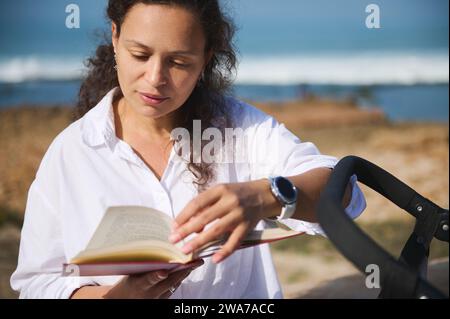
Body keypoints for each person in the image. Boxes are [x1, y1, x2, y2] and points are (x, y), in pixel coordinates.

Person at [10, 0, 366, 299]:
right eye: (140, 54)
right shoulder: (72, 151)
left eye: (179, 62)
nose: (155, 78)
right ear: (115, 37)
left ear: (205, 58)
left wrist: (270, 195)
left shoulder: (240, 129)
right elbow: (38, 283)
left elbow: (346, 193)